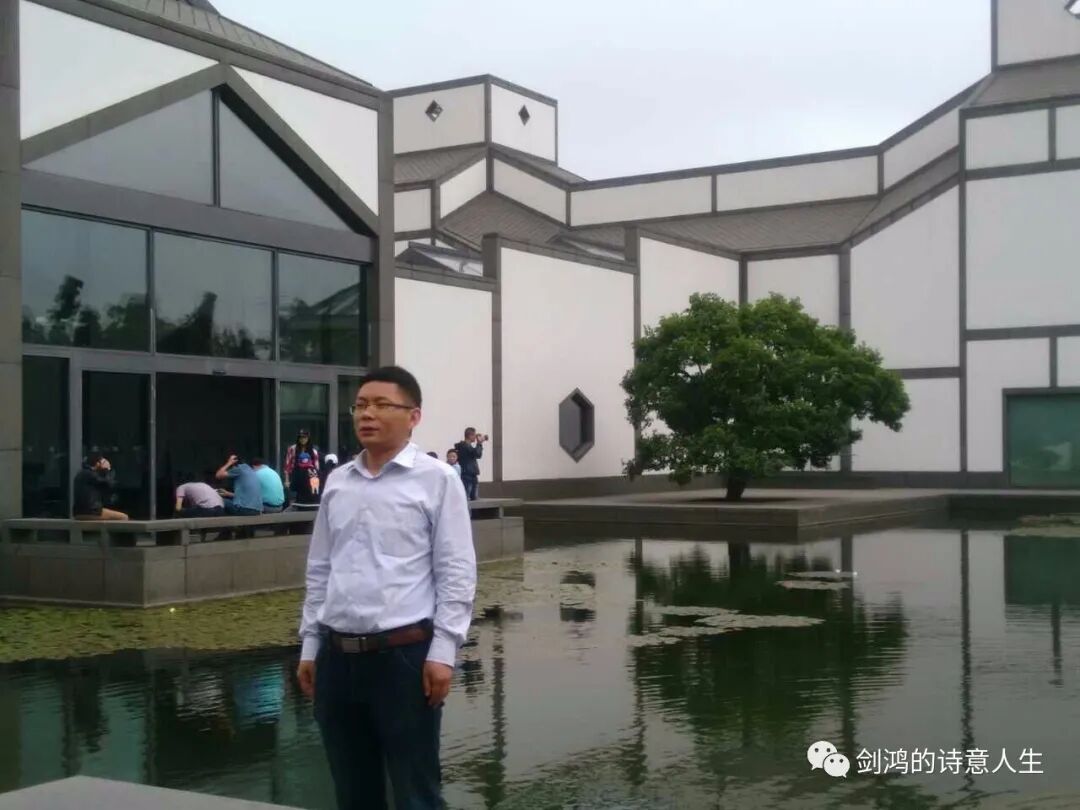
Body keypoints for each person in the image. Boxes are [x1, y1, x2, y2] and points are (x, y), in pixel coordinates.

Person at [297, 365, 476, 810]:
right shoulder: (338, 482)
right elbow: (320, 569)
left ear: (413, 416)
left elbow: (455, 570)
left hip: (403, 658)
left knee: (416, 793)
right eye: (360, 405)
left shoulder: (438, 479)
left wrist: (444, 651)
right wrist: (310, 645)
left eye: (381, 404)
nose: (367, 414)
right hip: (337, 658)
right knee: (353, 792)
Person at [73, 453, 128, 520]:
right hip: (92, 511)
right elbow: (109, 485)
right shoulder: (91, 474)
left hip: (78, 513)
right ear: (97, 463)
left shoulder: (81, 474)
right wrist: (107, 469)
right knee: (124, 517)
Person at [285, 429, 320, 505]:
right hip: (296, 475)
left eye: (305, 437)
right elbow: (287, 465)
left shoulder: (313, 451)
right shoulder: (292, 449)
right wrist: (287, 480)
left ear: (308, 438)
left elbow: (316, 467)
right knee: (295, 498)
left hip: (309, 476)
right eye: (301, 437)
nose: (303, 439)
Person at [454, 428, 487, 501]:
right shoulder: (465, 446)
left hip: (470, 474)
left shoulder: (466, 446)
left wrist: (479, 444)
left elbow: (477, 454)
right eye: (474, 435)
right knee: (467, 498)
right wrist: (479, 443)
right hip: (468, 475)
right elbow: (477, 454)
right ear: (470, 435)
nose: (475, 437)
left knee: (473, 498)